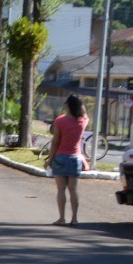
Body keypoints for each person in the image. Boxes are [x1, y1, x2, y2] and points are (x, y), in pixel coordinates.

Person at [47, 94, 89, 225]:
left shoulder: (60, 121)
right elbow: (84, 112)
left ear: (67, 105)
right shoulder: (83, 121)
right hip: (75, 158)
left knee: (61, 190)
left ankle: (62, 218)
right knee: (74, 189)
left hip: (60, 157)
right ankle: (75, 218)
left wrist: (49, 159)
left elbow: (55, 142)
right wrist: (80, 104)